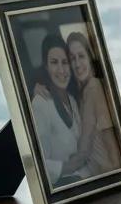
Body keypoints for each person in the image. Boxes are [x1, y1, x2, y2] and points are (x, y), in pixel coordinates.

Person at [29, 32, 87, 186]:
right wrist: (68, 167)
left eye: (65, 62)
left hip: (86, 181)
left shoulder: (73, 100)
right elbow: (38, 163)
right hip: (64, 187)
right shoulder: (41, 103)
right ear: (46, 66)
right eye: (54, 62)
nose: (61, 70)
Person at [66, 31, 121, 177]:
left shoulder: (93, 87)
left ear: (90, 58)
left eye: (81, 56)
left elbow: (109, 142)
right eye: (72, 58)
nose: (77, 63)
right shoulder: (82, 92)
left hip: (106, 174)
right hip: (94, 174)